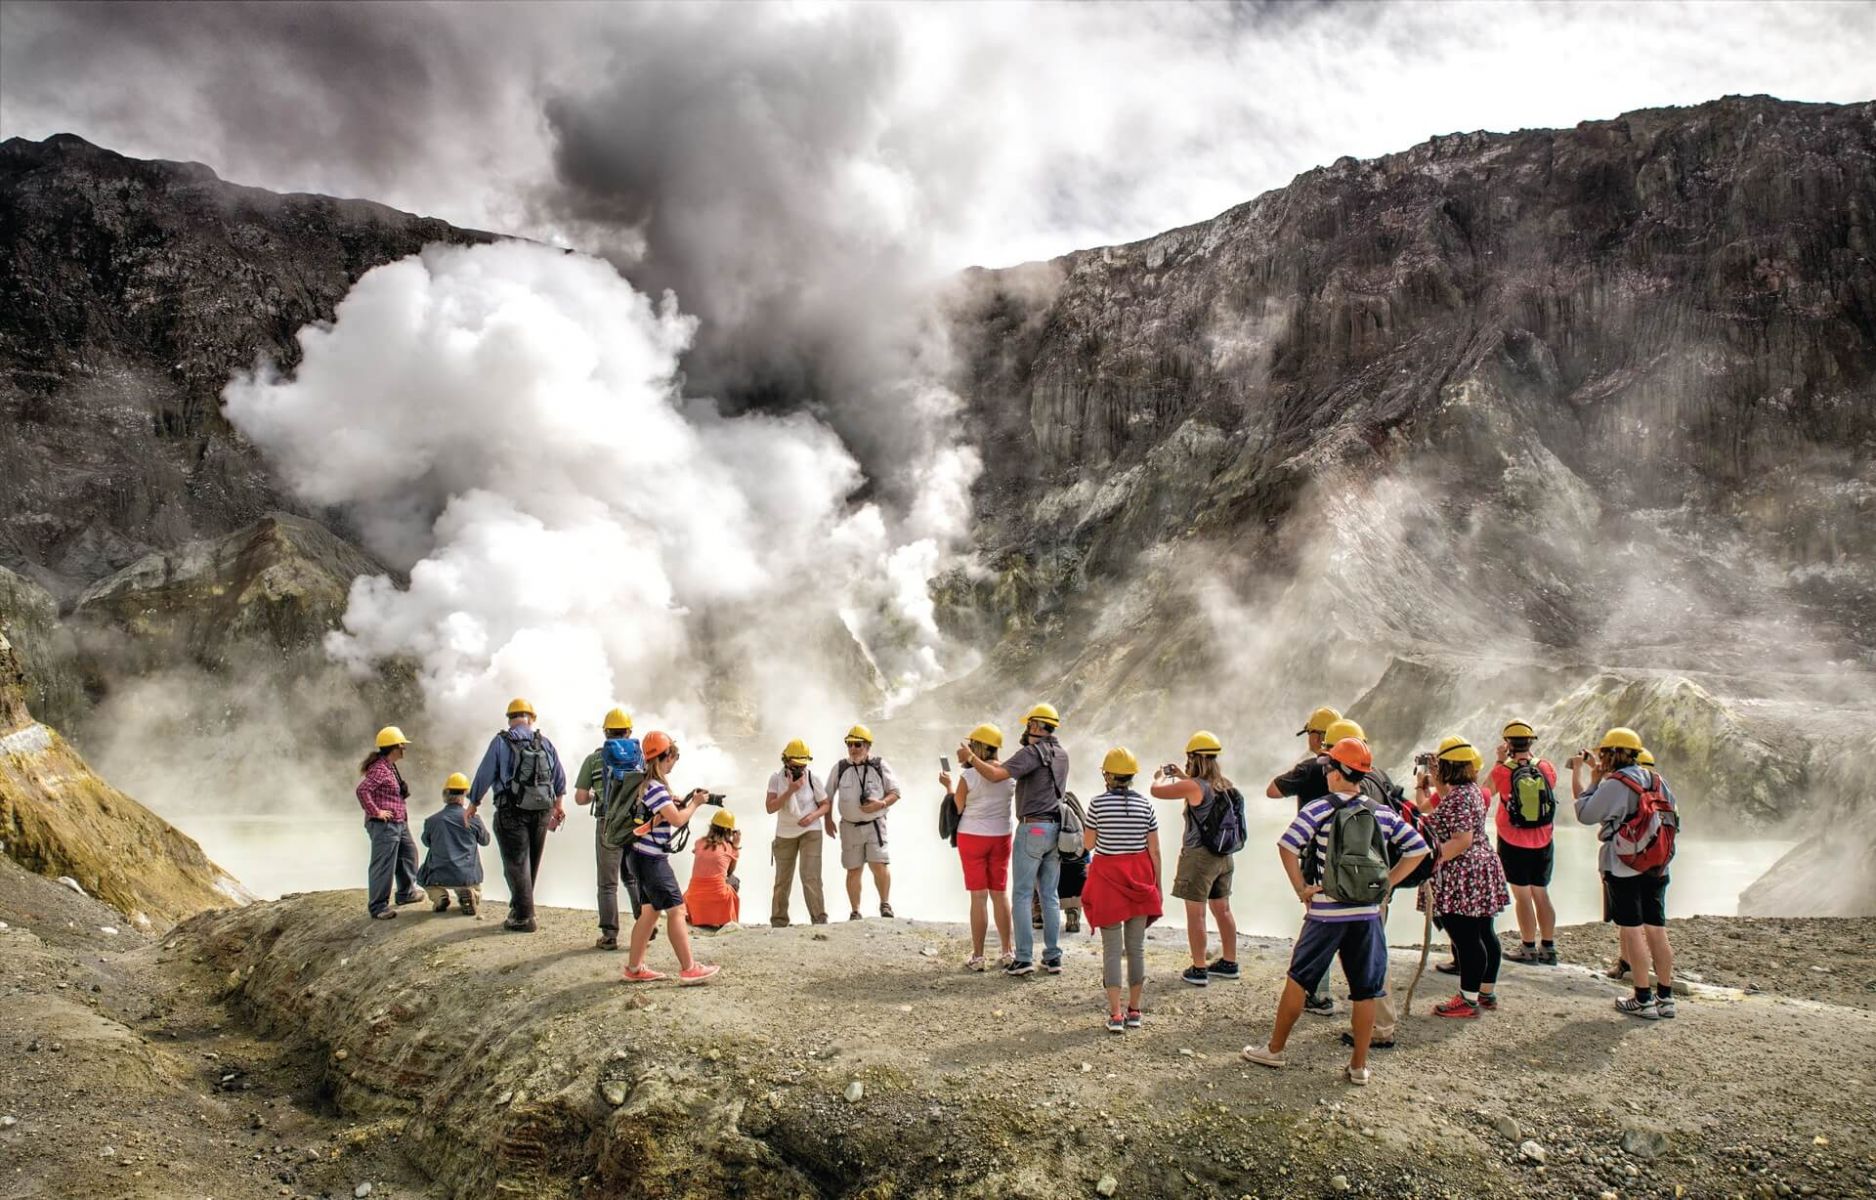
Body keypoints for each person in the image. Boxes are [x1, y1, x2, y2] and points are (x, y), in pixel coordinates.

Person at [1243, 737, 1428, 1087]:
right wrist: (1386, 883)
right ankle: (1359, 1066)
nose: (1325, 772)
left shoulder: (1319, 809)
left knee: (1299, 978)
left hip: (1327, 912)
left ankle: (1275, 1050)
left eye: (1329, 767)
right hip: (1367, 914)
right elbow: (1419, 847)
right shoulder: (1380, 811)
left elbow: (1287, 846)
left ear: (1339, 772)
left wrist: (1302, 889)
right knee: (1365, 989)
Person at [1574, 727, 1679, 1019]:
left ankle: (1642, 998)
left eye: (1604, 753)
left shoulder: (1615, 784)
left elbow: (1585, 814)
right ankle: (1665, 999)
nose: (1602, 758)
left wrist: (1594, 782)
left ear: (1611, 754)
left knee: (1632, 929)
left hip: (1624, 864)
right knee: (1657, 928)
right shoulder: (1658, 780)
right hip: (1658, 863)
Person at [962, 703, 1070, 977]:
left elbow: (997, 774)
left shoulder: (1031, 753)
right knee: (1049, 894)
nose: (1026, 730)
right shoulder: (1062, 754)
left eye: (1028, 725)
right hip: (1057, 828)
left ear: (1035, 726)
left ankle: (1023, 958)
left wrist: (970, 758)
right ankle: (1053, 956)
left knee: (1022, 893)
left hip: (1032, 828)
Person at [1417, 739, 1510, 1019]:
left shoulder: (1458, 797)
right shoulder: (1471, 791)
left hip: (1463, 874)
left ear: (1446, 766)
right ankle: (1484, 993)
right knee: (1483, 933)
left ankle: (1468, 1000)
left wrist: (1429, 863)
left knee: (1466, 937)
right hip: (1482, 868)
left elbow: (1461, 840)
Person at [620, 731, 721, 985]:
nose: (675, 761)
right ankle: (689, 967)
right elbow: (677, 820)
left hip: (638, 855)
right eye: (674, 756)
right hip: (652, 860)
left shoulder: (645, 784)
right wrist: (695, 803)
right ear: (666, 757)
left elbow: (662, 813)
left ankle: (634, 968)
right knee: (677, 910)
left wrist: (675, 801)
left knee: (650, 913)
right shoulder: (656, 788)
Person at [467, 698, 568, 933]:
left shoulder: (501, 742)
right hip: (542, 809)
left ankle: (524, 916)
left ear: (510, 719)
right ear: (531, 718)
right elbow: (559, 778)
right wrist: (558, 806)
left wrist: (473, 803)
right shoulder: (544, 743)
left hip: (511, 809)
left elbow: (485, 773)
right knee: (531, 860)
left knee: (515, 862)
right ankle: (521, 908)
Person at [1080, 748, 1162, 1033]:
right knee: (1136, 948)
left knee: (1112, 950)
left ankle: (1115, 1015)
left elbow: (1088, 845)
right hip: (1140, 878)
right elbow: (1154, 849)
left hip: (1107, 881)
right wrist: (1157, 886)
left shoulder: (1097, 805)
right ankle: (1135, 1010)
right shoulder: (1146, 806)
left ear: (1109, 775)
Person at [1266, 704, 1341, 1015]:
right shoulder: (1362, 769)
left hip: (1316, 857)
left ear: (1316, 737)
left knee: (1320, 924)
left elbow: (1272, 790)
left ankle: (1319, 995)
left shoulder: (1310, 769)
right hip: (1358, 860)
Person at [1152, 730, 1241, 987]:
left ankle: (1199, 967)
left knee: (1196, 914)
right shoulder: (1225, 784)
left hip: (1199, 857)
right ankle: (1229, 962)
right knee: (1223, 909)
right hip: (1224, 856)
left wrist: (1160, 777)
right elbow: (1198, 788)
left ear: (1195, 759)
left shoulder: (1194, 786)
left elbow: (1156, 792)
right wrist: (1182, 776)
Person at [939, 723, 1016, 970]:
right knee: (1000, 893)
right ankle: (1007, 951)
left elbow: (958, 807)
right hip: (1001, 836)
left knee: (978, 896)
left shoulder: (968, 776)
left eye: (972, 745)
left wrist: (949, 787)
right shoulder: (1008, 775)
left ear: (981, 747)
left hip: (972, 837)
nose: (969, 748)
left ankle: (979, 956)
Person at [1487, 720, 1560, 965]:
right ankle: (1548, 947)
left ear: (1507, 744)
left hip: (1512, 840)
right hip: (1543, 839)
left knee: (1522, 896)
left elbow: (1484, 794)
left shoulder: (1503, 771)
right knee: (1541, 893)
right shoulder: (1546, 767)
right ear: (1530, 742)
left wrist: (1499, 761)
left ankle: (1528, 947)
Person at [572, 707, 644, 950]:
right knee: (633, 877)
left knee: (607, 883)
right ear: (629, 731)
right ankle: (645, 923)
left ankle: (610, 935)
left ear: (605, 732)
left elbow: (580, 798)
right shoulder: (640, 758)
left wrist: (595, 795)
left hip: (607, 824)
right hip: (634, 825)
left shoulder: (594, 759)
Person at [825, 725, 900, 920]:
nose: (853, 748)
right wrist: (828, 819)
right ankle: (855, 911)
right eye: (849, 744)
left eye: (857, 744)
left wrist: (881, 804)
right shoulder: (840, 767)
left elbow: (895, 793)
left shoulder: (879, 765)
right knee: (853, 869)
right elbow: (828, 796)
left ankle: (885, 904)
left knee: (879, 865)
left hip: (875, 824)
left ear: (867, 746)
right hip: (849, 826)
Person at [356, 726, 424, 920]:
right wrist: (376, 812)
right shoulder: (380, 768)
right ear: (394, 747)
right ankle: (378, 906)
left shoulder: (389, 766)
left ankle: (406, 893)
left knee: (408, 854)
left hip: (398, 822)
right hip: (385, 825)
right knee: (384, 864)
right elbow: (362, 790)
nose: (404, 748)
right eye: (402, 745)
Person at [766, 738, 830, 927]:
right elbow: (770, 807)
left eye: (801, 766)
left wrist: (812, 816)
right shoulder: (776, 779)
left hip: (811, 831)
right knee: (782, 879)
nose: (798, 770)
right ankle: (778, 921)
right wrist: (790, 791)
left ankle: (819, 919)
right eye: (795, 766)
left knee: (811, 876)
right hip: (785, 833)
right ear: (785, 762)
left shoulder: (812, 778)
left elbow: (825, 805)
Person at [418, 772, 487, 916]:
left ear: (445, 794)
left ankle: (440, 897)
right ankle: (473, 894)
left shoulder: (432, 821)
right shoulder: (473, 819)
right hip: (467, 875)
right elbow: (485, 841)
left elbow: (426, 842)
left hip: (438, 875)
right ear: (466, 795)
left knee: (421, 875)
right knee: (474, 886)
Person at [685, 809, 742, 931]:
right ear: (729, 831)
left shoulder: (699, 843)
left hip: (694, 897)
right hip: (718, 897)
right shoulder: (729, 847)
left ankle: (702, 916)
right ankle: (722, 920)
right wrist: (736, 846)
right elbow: (729, 873)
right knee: (734, 881)